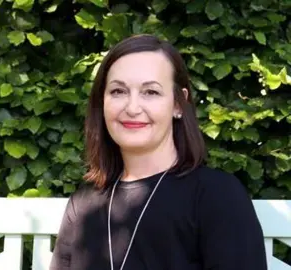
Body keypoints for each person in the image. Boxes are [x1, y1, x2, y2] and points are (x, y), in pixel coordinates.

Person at [49, 34, 268, 270]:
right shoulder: (82, 205)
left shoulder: (218, 197)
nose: (132, 108)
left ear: (177, 104)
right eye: (118, 91)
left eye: (151, 92)